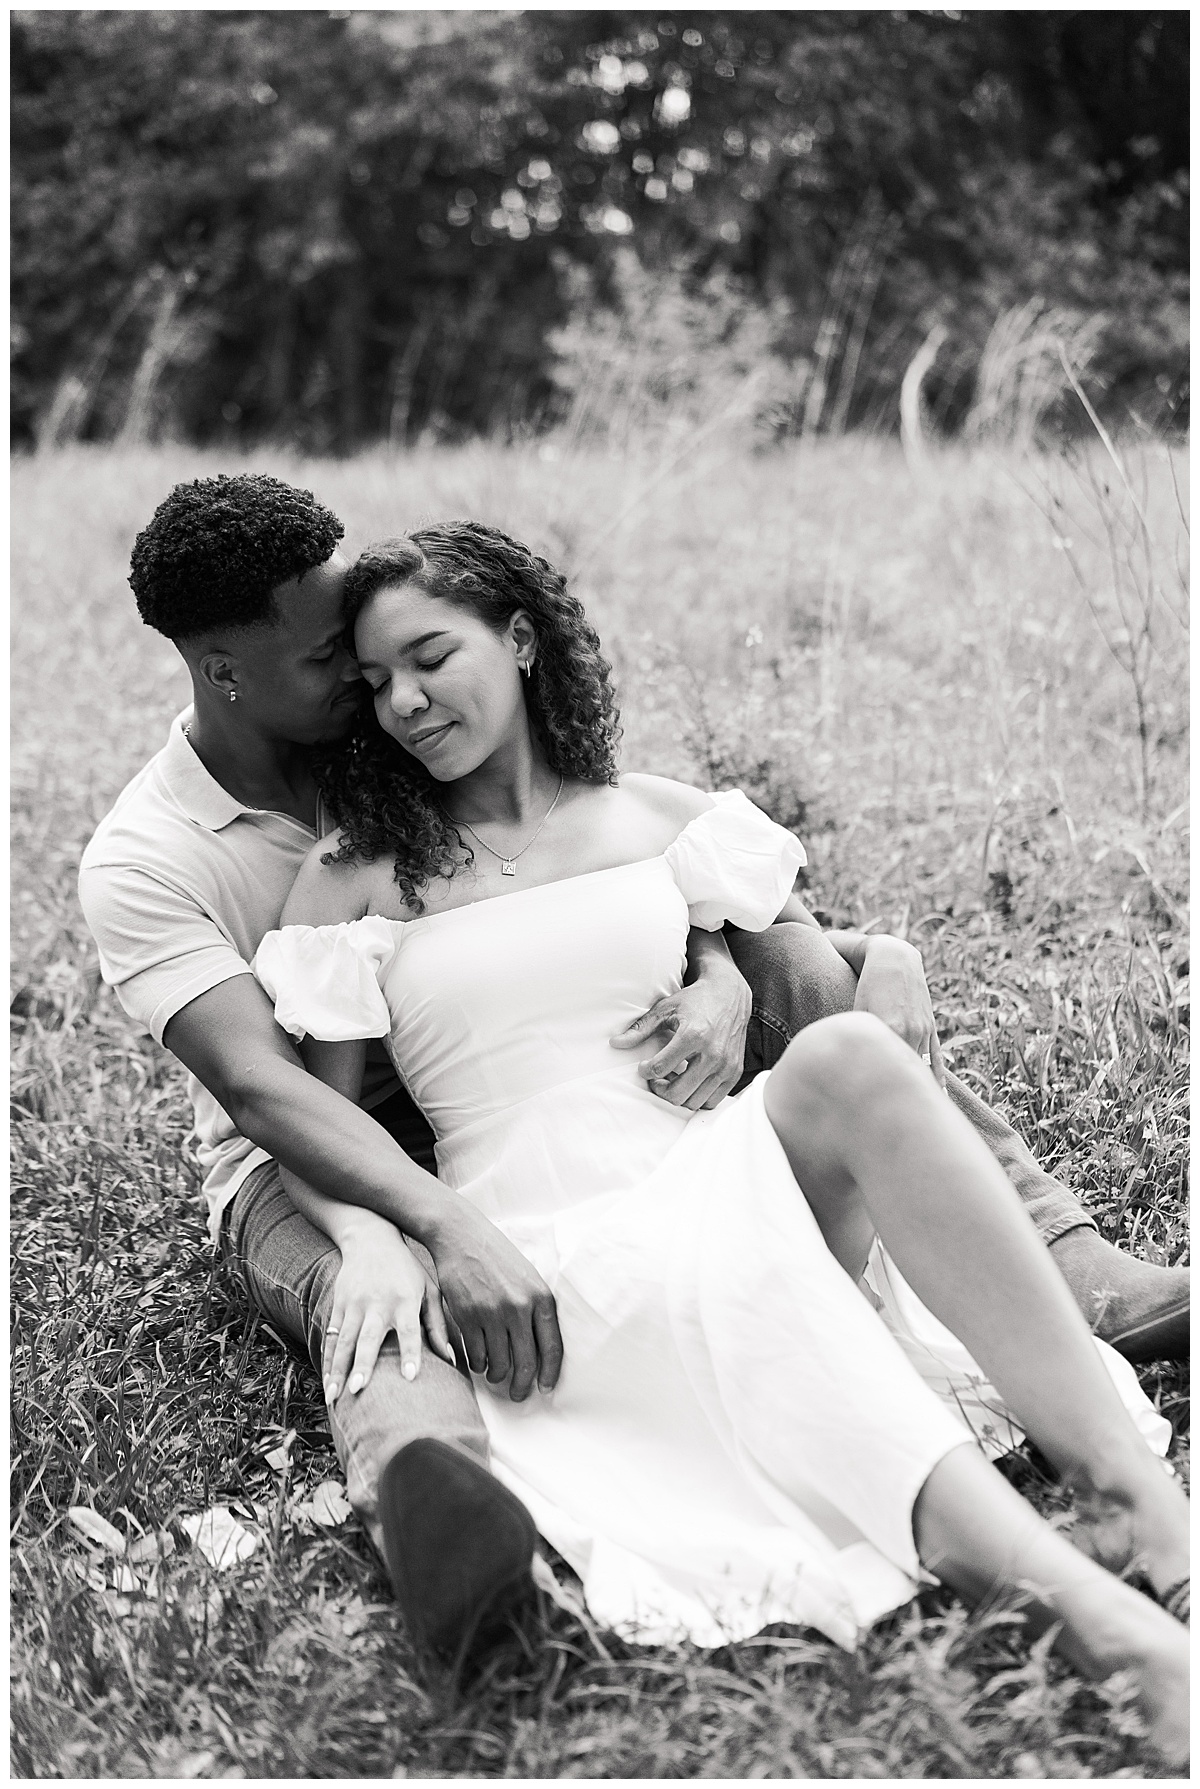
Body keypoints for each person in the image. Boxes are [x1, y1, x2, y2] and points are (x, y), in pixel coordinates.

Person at [77, 477, 1187, 1672]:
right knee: (384, 1311)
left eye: (400, 655)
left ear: (514, 640)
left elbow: (618, 889)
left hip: (649, 1115)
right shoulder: (172, 858)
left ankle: (1093, 1351)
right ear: (227, 670)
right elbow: (274, 1094)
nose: (378, 690)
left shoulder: (502, 758)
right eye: (342, 661)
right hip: (342, 1160)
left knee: (843, 1034)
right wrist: (403, 1229)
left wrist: (761, 965)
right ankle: (455, 1528)